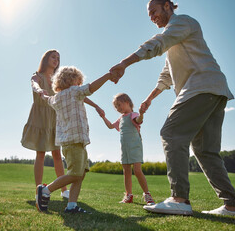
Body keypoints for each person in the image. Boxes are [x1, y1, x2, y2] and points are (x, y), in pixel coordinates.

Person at [109, 0, 235, 217]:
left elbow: (157, 44)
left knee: (171, 134)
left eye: (154, 11)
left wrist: (124, 63)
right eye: (149, 15)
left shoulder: (181, 23)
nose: (152, 17)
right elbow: (166, 74)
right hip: (214, 90)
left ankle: (179, 198)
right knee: (206, 151)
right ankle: (233, 205)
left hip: (200, 87)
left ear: (167, 5)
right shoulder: (175, 38)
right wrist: (150, 98)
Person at [21, 50, 105, 201]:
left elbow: (77, 94)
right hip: (40, 115)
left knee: (57, 154)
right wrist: (40, 90)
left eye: (58, 58)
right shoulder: (38, 76)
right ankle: (38, 190)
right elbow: (34, 84)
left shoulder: (58, 80)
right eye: (53, 57)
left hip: (56, 116)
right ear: (45, 59)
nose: (56, 59)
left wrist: (95, 105)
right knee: (40, 154)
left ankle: (64, 190)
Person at [36, 66, 111, 213]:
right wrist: (107, 76)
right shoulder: (74, 91)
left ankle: (71, 206)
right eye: (79, 81)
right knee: (76, 173)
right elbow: (91, 88)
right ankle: (45, 190)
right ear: (71, 80)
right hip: (75, 140)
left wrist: (42, 94)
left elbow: (46, 99)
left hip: (73, 141)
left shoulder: (56, 98)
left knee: (80, 174)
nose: (80, 83)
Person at [99, 93, 155, 205]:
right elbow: (110, 126)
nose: (118, 108)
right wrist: (103, 117)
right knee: (126, 171)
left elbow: (139, 120)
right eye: (116, 107)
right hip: (124, 148)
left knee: (137, 171)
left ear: (127, 102)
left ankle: (147, 195)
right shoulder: (121, 118)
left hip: (135, 146)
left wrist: (142, 113)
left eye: (119, 105)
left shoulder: (133, 115)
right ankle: (128, 195)